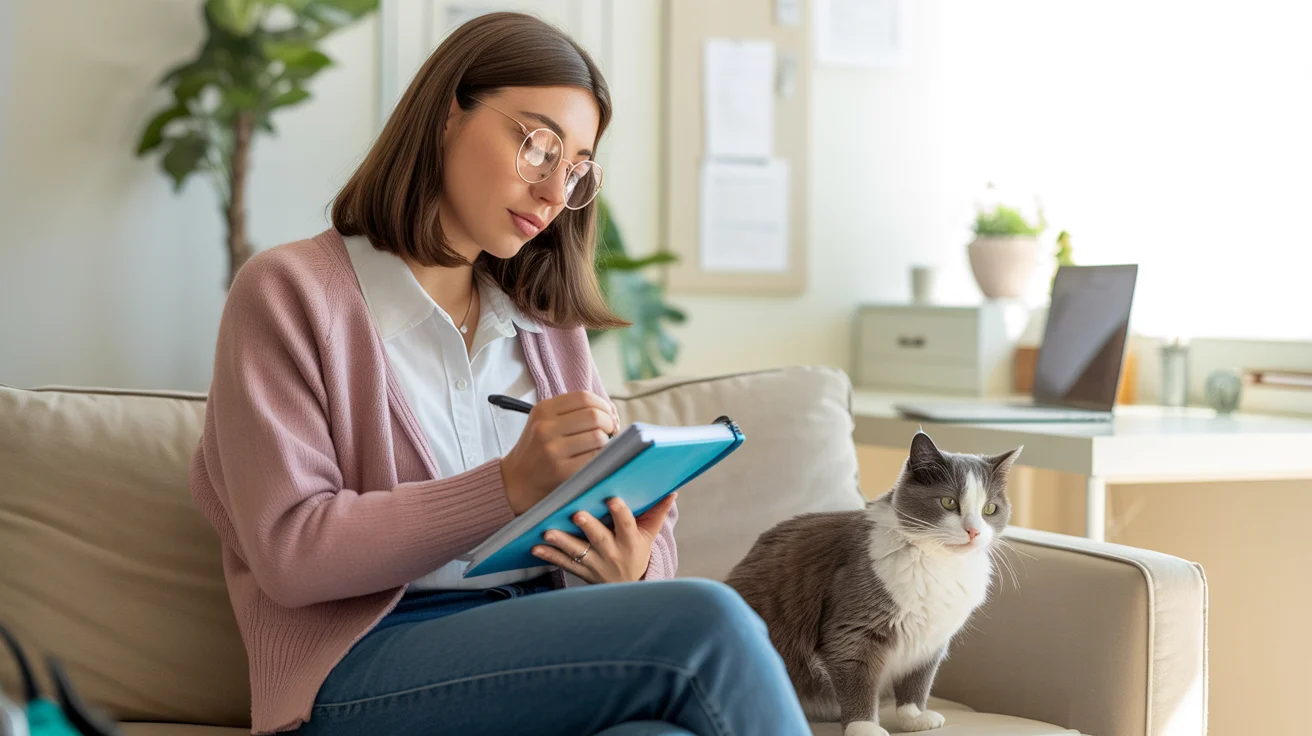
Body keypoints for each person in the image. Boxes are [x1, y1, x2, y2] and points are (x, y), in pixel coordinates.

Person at [188, 11, 811, 736]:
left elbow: (635, 532)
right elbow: (291, 552)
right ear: (448, 114)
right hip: (362, 665)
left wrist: (630, 563)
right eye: (538, 146)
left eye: (575, 170)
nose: (553, 193)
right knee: (707, 621)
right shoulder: (289, 292)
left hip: (539, 643)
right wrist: (508, 486)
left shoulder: (544, 323)